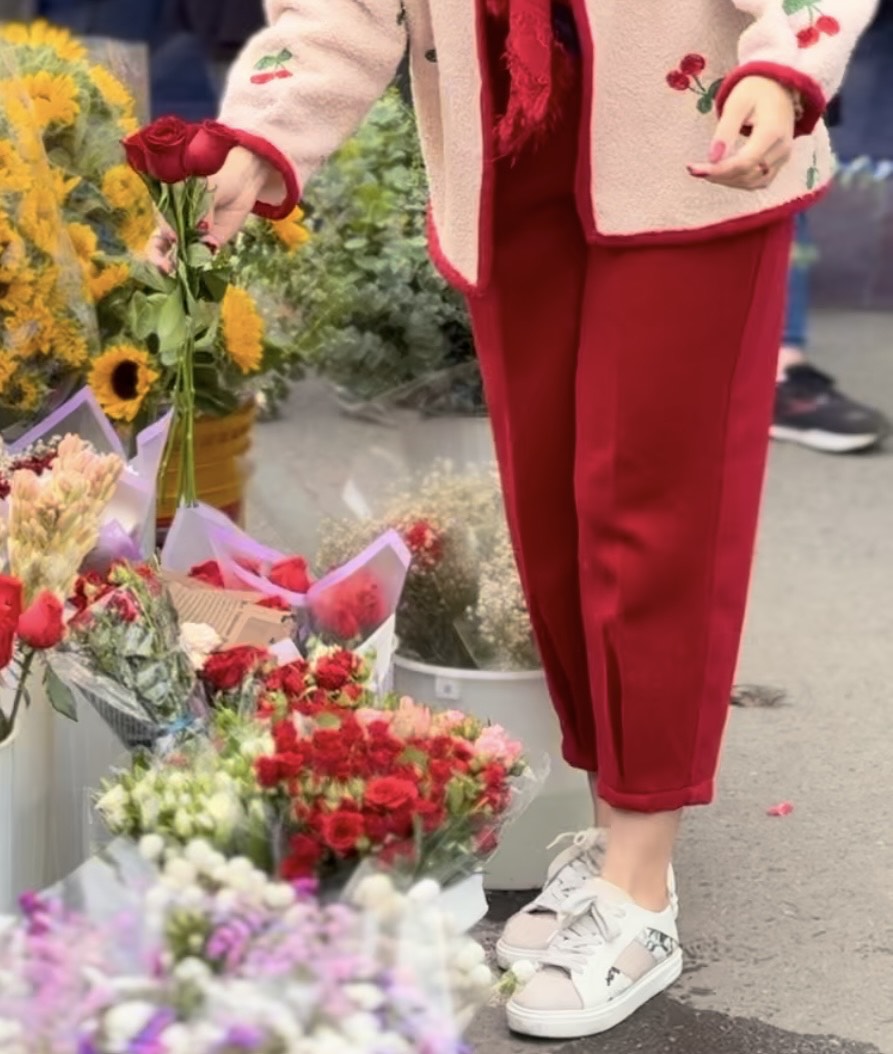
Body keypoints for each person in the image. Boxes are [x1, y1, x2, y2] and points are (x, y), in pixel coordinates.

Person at [152, 0, 878, 1039]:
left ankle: (639, 884)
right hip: (506, 137)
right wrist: (263, 134)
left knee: (651, 514)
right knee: (552, 516)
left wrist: (780, 63)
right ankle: (614, 833)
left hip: (695, 128)